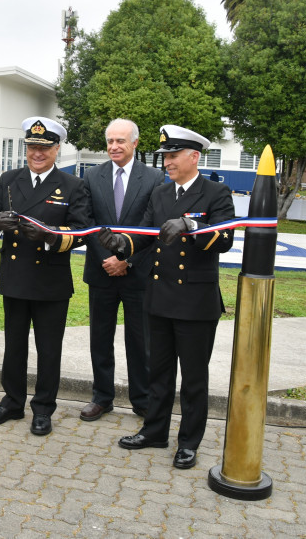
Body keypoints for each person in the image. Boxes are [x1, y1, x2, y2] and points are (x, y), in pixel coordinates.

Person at [98, 125, 235, 470]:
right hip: (158, 299)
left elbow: (225, 240)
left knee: (193, 378)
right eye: (165, 157)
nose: (168, 163)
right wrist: (123, 246)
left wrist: (191, 226)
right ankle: (155, 430)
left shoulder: (216, 193)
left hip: (194, 302)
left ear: (194, 157)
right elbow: (145, 233)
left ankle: (188, 442)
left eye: (173, 156)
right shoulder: (161, 195)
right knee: (157, 372)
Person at [0, 118, 89, 436]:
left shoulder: (73, 186)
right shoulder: (9, 180)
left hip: (50, 280)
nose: (36, 153)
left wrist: (49, 235)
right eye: (32, 147)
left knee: (48, 349)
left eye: (43, 148)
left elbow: (81, 232)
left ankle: (43, 409)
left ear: (57, 149)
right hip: (15, 276)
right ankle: (12, 403)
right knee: (14, 346)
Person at [80, 119, 161, 422]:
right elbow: (87, 222)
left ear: (135, 143)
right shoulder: (92, 177)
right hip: (101, 272)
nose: (114, 146)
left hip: (137, 273)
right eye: (110, 141)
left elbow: (154, 228)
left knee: (140, 341)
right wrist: (108, 260)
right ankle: (102, 397)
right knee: (100, 337)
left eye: (121, 141)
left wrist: (126, 260)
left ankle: (142, 400)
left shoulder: (154, 178)